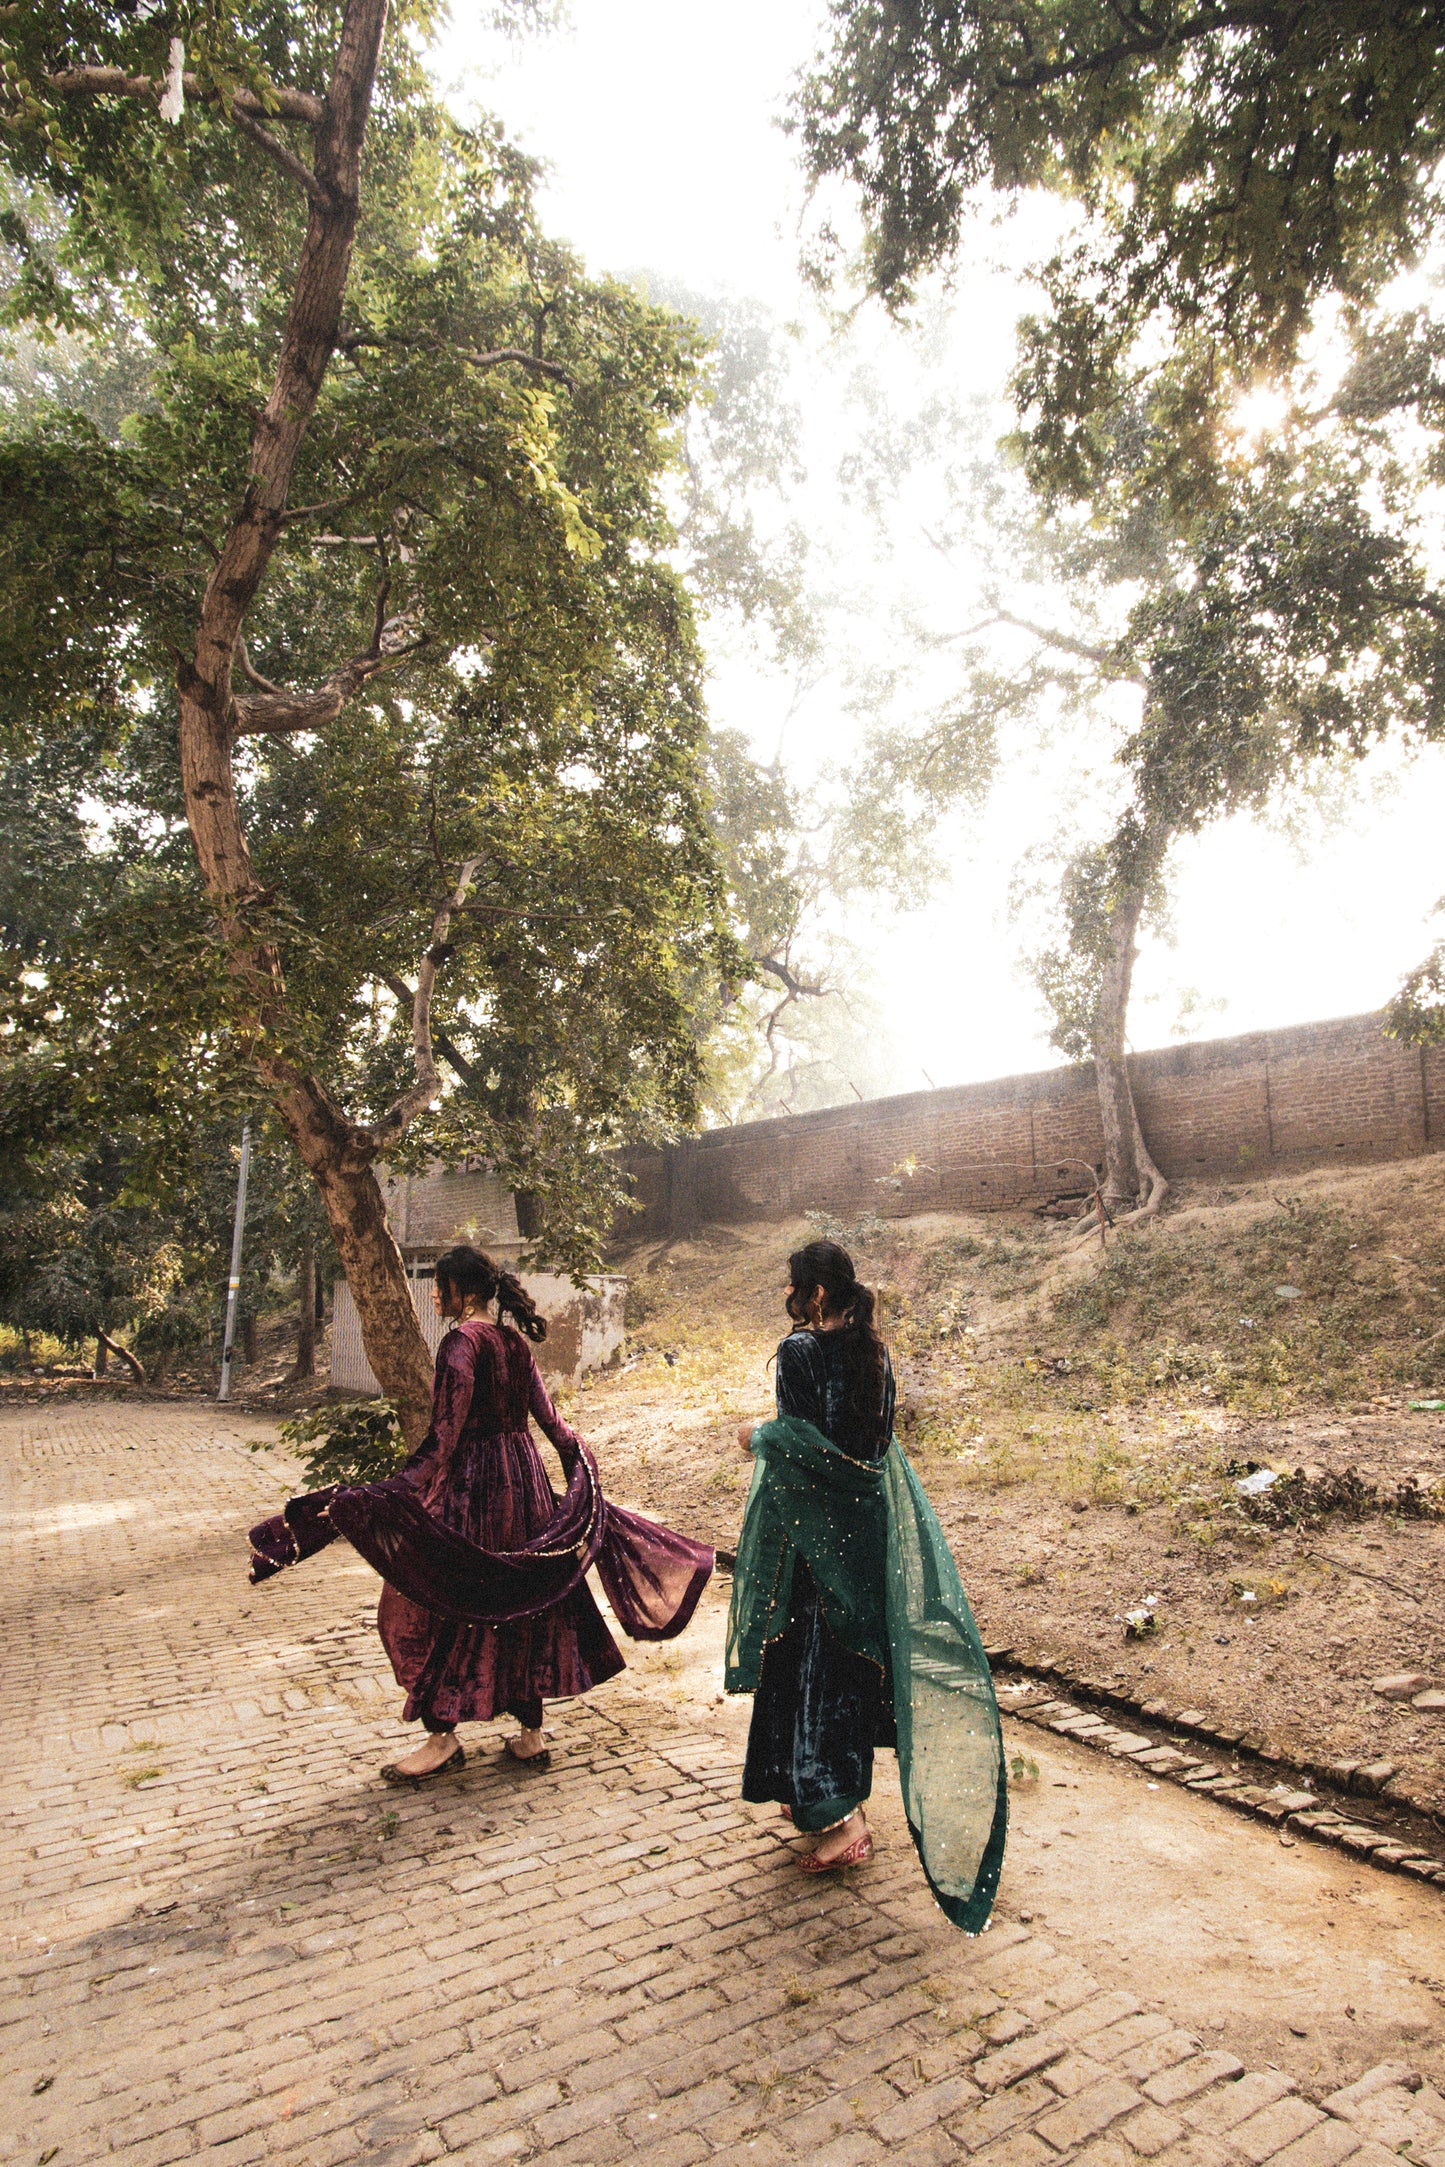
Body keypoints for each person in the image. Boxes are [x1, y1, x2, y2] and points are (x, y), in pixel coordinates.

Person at [248, 1245, 713, 1786]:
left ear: (463, 1293)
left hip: (472, 1488)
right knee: (521, 1598)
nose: (433, 1294)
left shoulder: (460, 1344)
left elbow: (444, 1437)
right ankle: (531, 1732)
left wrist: (387, 1493)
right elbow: (555, 1426)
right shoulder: (514, 1344)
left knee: (439, 1598)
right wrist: (580, 1470)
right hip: (524, 1483)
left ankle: (442, 1737)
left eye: (439, 1285)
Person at [727, 1238, 1006, 1929]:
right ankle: (823, 1793)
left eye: (795, 1286)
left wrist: (757, 1436)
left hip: (815, 1535)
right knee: (846, 1664)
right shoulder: (875, 1352)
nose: (790, 1299)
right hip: (866, 1532)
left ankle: (839, 1818)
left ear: (814, 1291)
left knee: (807, 1663)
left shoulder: (799, 1353)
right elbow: (864, 1449)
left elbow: (803, 1444)